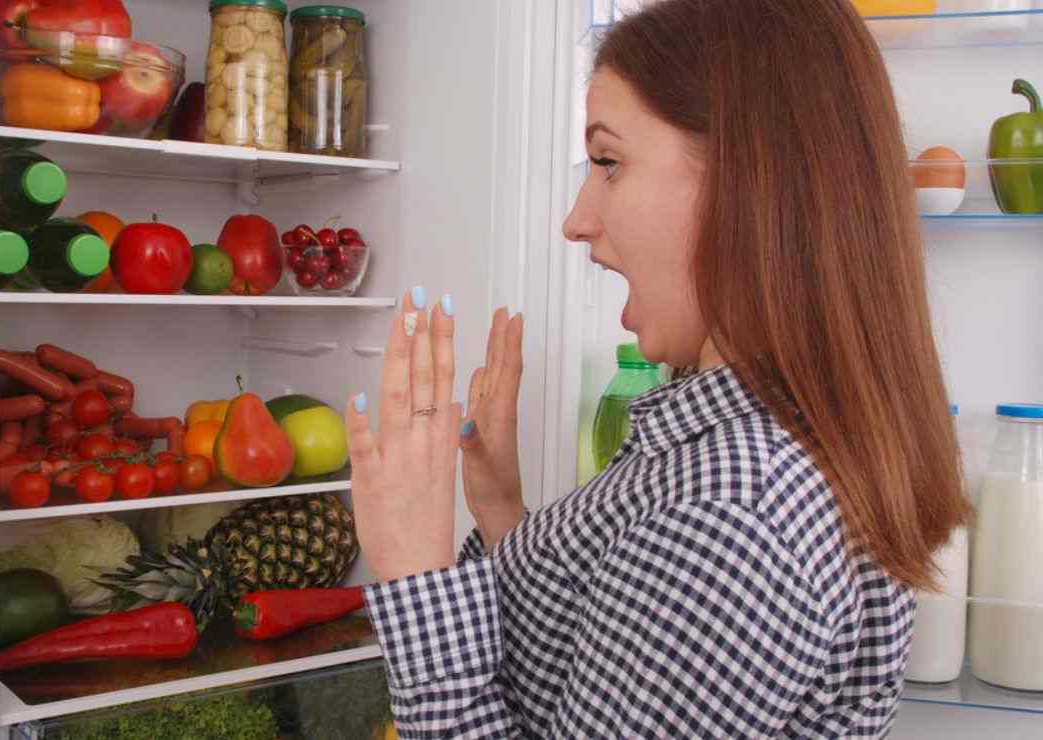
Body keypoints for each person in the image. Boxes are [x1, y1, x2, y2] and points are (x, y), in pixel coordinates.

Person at [343, 0, 971, 737]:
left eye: (608, 162)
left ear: (747, 178)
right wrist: (499, 509)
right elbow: (584, 672)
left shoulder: (730, 522)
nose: (576, 219)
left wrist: (418, 577)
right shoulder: (748, 450)